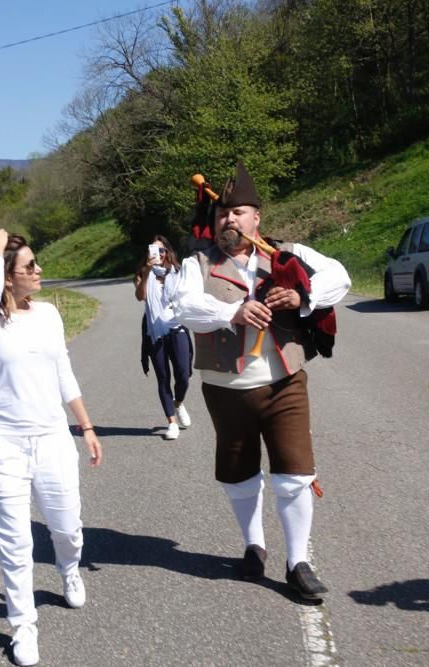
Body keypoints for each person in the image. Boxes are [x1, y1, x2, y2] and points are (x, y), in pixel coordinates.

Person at [172, 160, 350, 600]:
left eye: (237, 212)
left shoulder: (286, 254)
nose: (228, 219)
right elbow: (181, 306)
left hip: (284, 380)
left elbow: (340, 276)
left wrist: (301, 295)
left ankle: (298, 562)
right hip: (226, 388)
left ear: (256, 218)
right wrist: (230, 311)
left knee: (294, 473)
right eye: (221, 214)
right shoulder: (198, 262)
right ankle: (254, 545)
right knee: (238, 474)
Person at [0, 228, 103, 666]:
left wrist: (86, 425)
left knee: (67, 526)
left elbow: (63, 370)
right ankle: (23, 626)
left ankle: (68, 569)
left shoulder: (48, 315)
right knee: (15, 542)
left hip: (52, 439)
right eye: (30, 266)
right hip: (3, 443)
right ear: (7, 277)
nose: (40, 270)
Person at [133, 235, 193, 440]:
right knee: (163, 378)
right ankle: (171, 423)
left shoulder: (177, 272)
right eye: (154, 250)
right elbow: (140, 296)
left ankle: (178, 403)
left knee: (184, 374)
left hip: (177, 327)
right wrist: (148, 271)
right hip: (154, 332)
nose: (159, 254)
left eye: (162, 250)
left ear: (167, 252)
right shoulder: (143, 273)